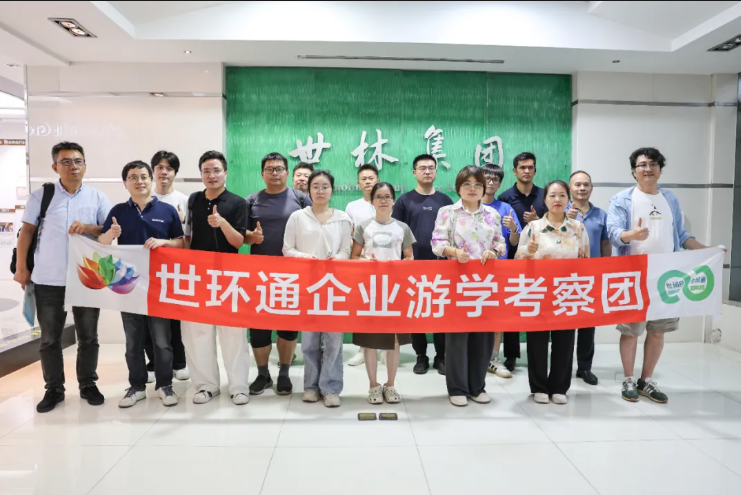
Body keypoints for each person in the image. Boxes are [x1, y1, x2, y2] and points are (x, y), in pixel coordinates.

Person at [607, 147, 717, 404]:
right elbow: (613, 233)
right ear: (633, 171)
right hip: (634, 275)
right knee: (631, 330)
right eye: (642, 165)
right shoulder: (622, 199)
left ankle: (646, 380)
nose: (648, 169)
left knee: (658, 331)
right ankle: (628, 379)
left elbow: (682, 235)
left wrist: (707, 250)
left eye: (653, 164)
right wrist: (631, 235)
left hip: (667, 276)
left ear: (660, 169)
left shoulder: (670, 199)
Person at [14, 141, 111, 413]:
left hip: (86, 278)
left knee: (88, 337)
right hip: (48, 279)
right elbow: (26, 233)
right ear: (55, 166)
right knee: (49, 339)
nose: (73, 166)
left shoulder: (97, 198)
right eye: (66, 161)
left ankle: (88, 384)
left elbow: (110, 230)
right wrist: (21, 268)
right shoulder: (41, 196)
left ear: (85, 165)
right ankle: (54, 389)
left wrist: (89, 227)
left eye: (78, 161)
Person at [99, 160, 184, 408]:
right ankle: (136, 387)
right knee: (133, 342)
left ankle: (165, 385)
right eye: (133, 177)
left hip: (159, 285)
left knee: (162, 340)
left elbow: (181, 243)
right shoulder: (118, 211)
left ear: (151, 179)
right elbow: (102, 243)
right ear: (125, 183)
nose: (139, 181)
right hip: (129, 285)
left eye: (144, 176)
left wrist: (164, 242)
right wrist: (111, 234)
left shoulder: (167, 210)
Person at [432, 166, 505, 407]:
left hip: (485, 283)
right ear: (458, 188)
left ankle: (477, 386)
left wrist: (494, 252)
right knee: (457, 336)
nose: (472, 189)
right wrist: (454, 252)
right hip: (457, 281)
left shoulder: (492, 214)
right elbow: (436, 243)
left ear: (484, 188)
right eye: (467, 184)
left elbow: (500, 243)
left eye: (477, 185)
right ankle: (457, 388)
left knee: (483, 337)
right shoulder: (448, 212)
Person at [182, 150, 252, 405]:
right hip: (198, 275)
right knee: (198, 333)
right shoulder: (193, 200)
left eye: (216, 170)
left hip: (229, 276)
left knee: (233, 334)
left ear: (225, 173)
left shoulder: (238, 202)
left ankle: (238, 387)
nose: (211, 175)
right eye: (206, 171)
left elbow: (238, 241)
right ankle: (206, 386)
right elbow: (188, 237)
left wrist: (222, 223)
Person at [516, 180, 589, 405]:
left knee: (565, 341)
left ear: (569, 199)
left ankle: (559, 387)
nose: (557, 200)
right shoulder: (533, 228)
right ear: (545, 200)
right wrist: (528, 251)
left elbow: (585, 260)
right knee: (537, 341)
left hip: (567, 291)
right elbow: (517, 260)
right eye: (552, 196)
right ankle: (538, 386)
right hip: (538, 292)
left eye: (562, 195)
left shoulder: (578, 228)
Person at [283, 170, 352, 408]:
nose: (320, 191)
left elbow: (346, 250)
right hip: (307, 285)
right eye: (315, 187)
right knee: (310, 340)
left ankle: (331, 388)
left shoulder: (343, 218)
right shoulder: (297, 217)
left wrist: (337, 259)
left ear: (332, 190)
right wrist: (306, 257)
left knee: (333, 340)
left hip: (335, 286)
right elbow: (287, 249)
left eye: (325, 186)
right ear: (309, 190)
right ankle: (311, 386)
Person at [245, 152, 311, 396]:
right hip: (259, 274)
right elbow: (240, 235)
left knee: (288, 326)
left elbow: (313, 230)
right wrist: (250, 237)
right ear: (262, 173)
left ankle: (284, 372)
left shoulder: (300, 198)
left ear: (287, 173)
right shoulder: (251, 200)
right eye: (270, 169)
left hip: (291, 274)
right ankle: (263, 374)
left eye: (279, 169)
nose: (275, 173)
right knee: (259, 327)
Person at [351, 182, 414, 405]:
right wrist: (367, 262)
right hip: (369, 290)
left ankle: (390, 384)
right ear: (372, 200)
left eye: (387, 196)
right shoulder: (363, 226)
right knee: (370, 340)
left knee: (394, 340)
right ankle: (373, 386)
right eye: (379, 196)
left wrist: (398, 265)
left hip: (395, 290)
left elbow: (410, 257)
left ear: (394, 200)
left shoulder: (402, 227)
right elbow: (354, 257)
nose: (383, 200)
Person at [392, 154, 453, 375]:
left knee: (440, 312)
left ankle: (441, 356)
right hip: (413, 266)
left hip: (442, 266)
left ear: (436, 171)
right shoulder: (404, 201)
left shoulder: (446, 201)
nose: (427, 171)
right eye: (422, 168)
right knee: (416, 312)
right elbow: (397, 233)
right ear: (414, 172)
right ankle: (421, 356)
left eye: (431, 168)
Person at [496, 152, 546, 372]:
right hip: (513, 260)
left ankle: (538, 353)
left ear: (535, 170)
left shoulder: (545, 195)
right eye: (522, 167)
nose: (526, 171)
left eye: (530, 167)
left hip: (540, 260)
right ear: (514, 171)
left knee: (537, 306)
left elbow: (554, 223)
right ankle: (511, 355)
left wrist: (538, 221)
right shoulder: (505, 198)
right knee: (512, 307)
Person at [145, 150, 189, 383]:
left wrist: (182, 222)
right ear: (153, 171)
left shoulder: (184, 200)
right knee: (147, 317)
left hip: (175, 270)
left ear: (175, 173)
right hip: (146, 270)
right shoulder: (144, 197)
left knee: (174, 318)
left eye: (169, 168)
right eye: (159, 167)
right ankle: (153, 362)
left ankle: (179, 362)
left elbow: (188, 238)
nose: (164, 172)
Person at [567, 170, 611, 386]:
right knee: (564, 325)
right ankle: (563, 366)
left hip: (591, 277)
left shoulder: (601, 215)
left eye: (586, 184)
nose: (582, 188)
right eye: (577, 184)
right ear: (570, 188)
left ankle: (584, 367)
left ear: (591, 188)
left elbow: (605, 243)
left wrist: (606, 269)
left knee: (588, 324)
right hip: (564, 277)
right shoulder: (560, 211)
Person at [481, 163, 521, 380]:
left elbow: (514, 242)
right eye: (487, 178)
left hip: (499, 270)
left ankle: (493, 358)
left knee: (496, 317)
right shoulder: (468, 206)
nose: (490, 182)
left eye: (495, 179)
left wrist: (513, 228)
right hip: (472, 271)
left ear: (499, 184)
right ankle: (474, 356)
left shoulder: (506, 208)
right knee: (473, 313)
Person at [345, 163, 380, 367]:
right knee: (363, 306)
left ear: (378, 180)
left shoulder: (386, 202)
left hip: (385, 263)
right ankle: (362, 349)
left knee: (386, 303)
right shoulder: (352, 206)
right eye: (364, 179)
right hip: (362, 262)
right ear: (358, 183)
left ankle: (385, 348)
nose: (368, 182)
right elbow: (348, 235)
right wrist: (363, 253)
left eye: (371, 178)